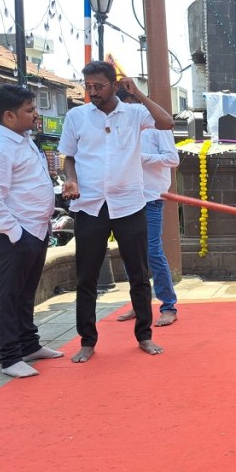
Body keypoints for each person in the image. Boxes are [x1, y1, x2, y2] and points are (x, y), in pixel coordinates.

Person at [59, 61, 174, 363]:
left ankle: (144, 336)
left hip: (129, 203)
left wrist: (138, 92)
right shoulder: (77, 116)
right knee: (86, 276)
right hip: (91, 205)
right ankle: (87, 340)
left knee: (138, 274)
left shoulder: (135, 113)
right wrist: (70, 179)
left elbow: (166, 122)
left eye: (98, 85)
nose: (93, 92)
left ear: (114, 85)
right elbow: (69, 157)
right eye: (88, 87)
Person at [0, 84, 64, 377]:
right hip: (16, 233)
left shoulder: (23, 140)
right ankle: (10, 357)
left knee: (26, 293)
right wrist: (15, 233)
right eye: (30, 110)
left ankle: (29, 344)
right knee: (8, 295)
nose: (36, 115)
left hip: (37, 228)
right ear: (9, 116)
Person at [116, 89, 180, 328]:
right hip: (125, 196)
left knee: (152, 252)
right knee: (129, 253)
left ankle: (168, 305)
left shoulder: (156, 126)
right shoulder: (119, 128)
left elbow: (172, 159)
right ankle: (139, 303)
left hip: (150, 196)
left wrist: (139, 157)